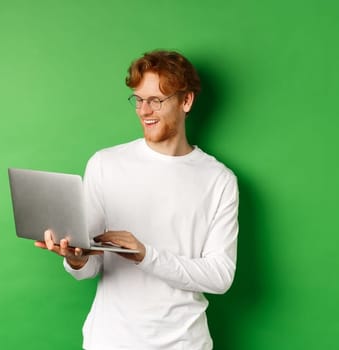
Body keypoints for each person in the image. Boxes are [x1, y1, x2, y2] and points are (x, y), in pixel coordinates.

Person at [33, 50, 239, 349]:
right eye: (138, 99)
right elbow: (90, 266)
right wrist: (76, 259)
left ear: (186, 101)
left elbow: (220, 276)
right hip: (110, 341)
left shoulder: (219, 180)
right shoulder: (105, 163)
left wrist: (146, 255)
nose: (144, 110)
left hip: (184, 343)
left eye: (156, 100)